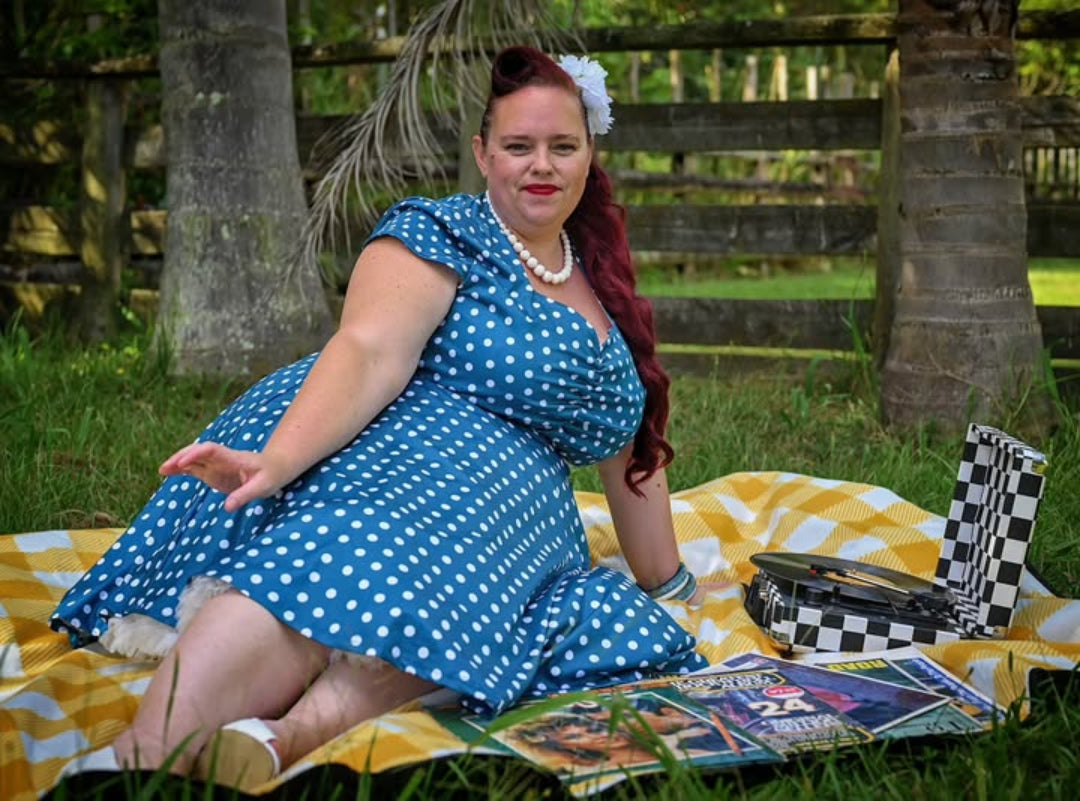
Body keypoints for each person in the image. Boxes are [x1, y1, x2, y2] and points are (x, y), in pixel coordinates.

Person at [52, 45, 709, 790]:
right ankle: (137, 756)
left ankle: (277, 737)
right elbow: (368, 351)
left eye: (563, 146)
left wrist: (669, 579)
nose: (542, 165)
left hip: (518, 521)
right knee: (342, 560)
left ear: (591, 154)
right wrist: (277, 460)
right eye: (519, 146)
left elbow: (630, 455)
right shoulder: (447, 232)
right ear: (483, 152)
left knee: (468, 598)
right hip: (394, 450)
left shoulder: (602, 283)